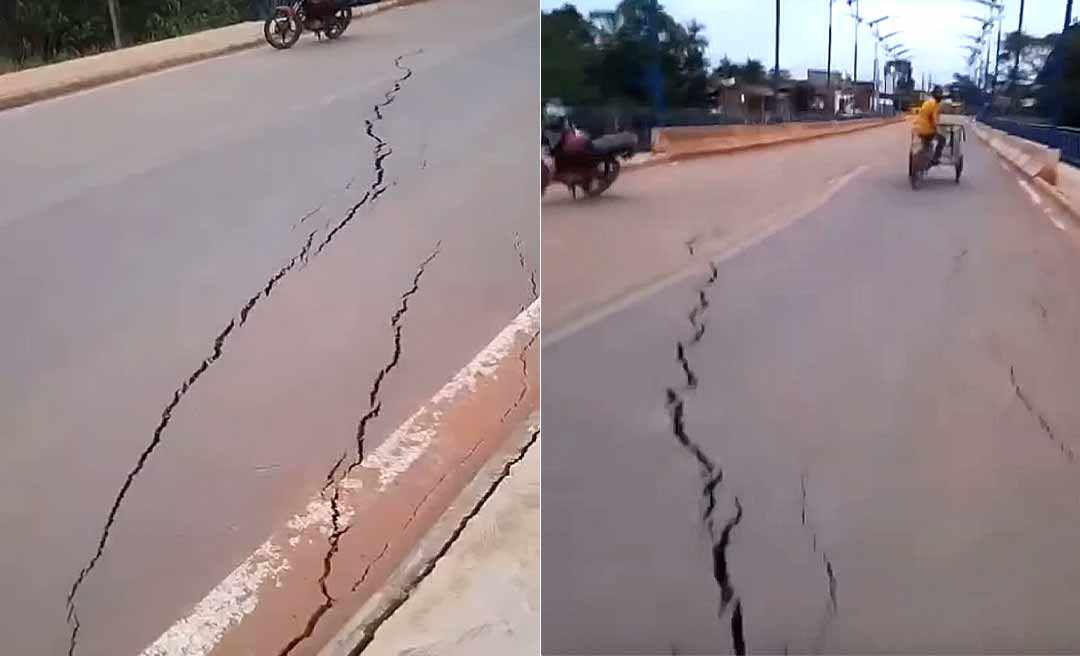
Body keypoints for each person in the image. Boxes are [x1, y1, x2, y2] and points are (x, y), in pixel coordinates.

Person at [914, 86, 945, 165]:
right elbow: (934, 118)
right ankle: (935, 158)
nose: (940, 96)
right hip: (928, 130)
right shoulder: (934, 104)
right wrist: (936, 128)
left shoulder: (927, 102)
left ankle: (923, 157)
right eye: (940, 94)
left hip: (919, 128)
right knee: (942, 139)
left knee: (927, 144)